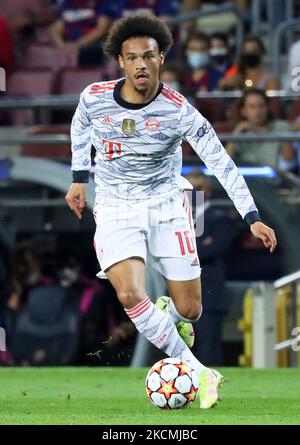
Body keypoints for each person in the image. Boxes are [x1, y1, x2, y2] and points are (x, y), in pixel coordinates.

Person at [65, 14, 277, 410]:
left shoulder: (180, 111)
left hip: (167, 203)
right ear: (121, 63)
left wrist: (252, 216)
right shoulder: (94, 97)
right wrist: (79, 178)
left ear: (161, 57)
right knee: (129, 292)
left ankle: (169, 316)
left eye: (148, 56)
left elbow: (220, 162)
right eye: (132, 58)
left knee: (190, 309)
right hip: (115, 204)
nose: (140, 65)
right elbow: (80, 126)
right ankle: (199, 371)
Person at [186, 170, 233, 366]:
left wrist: (188, 250)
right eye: (189, 189)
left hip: (209, 295)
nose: (193, 193)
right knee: (183, 350)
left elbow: (216, 249)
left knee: (208, 350)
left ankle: (211, 389)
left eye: (198, 189)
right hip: (181, 294)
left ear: (209, 191)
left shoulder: (218, 218)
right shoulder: (176, 217)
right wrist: (201, 245)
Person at [226, 88, 296, 170]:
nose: (258, 111)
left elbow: (289, 161)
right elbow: (224, 164)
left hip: (277, 179)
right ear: (243, 111)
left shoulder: (281, 127)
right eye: (252, 107)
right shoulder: (240, 133)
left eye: (261, 105)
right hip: (249, 179)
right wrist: (237, 133)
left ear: (267, 107)